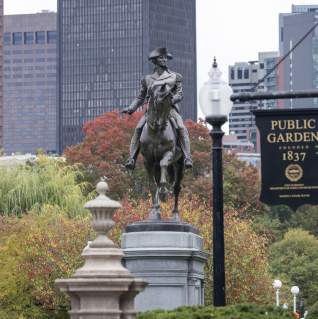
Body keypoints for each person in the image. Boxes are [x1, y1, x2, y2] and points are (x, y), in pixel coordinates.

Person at [122, 47, 193, 170]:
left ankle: (187, 157)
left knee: (181, 127)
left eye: (165, 57)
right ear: (155, 61)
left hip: (169, 109)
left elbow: (180, 94)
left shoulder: (175, 76)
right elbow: (140, 97)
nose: (164, 59)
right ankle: (132, 158)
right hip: (152, 111)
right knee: (138, 128)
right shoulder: (147, 79)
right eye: (161, 57)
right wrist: (131, 108)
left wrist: (172, 99)